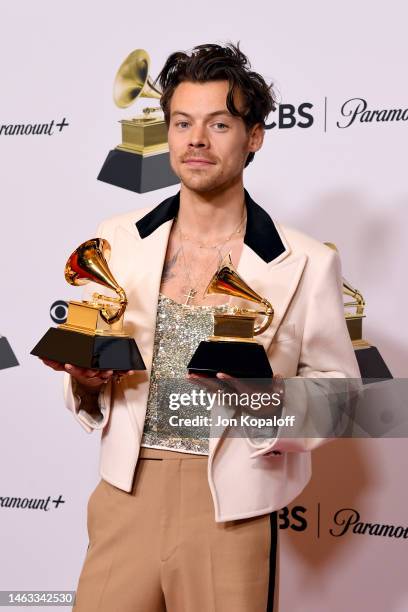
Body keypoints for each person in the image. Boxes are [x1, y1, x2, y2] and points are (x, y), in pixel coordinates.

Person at [42, 43, 361, 612]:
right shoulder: (117, 238)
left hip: (230, 511)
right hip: (125, 493)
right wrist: (86, 379)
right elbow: (93, 369)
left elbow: (340, 396)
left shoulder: (305, 260)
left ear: (254, 136)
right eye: (183, 123)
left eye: (218, 124)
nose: (197, 140)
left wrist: (264, 400)